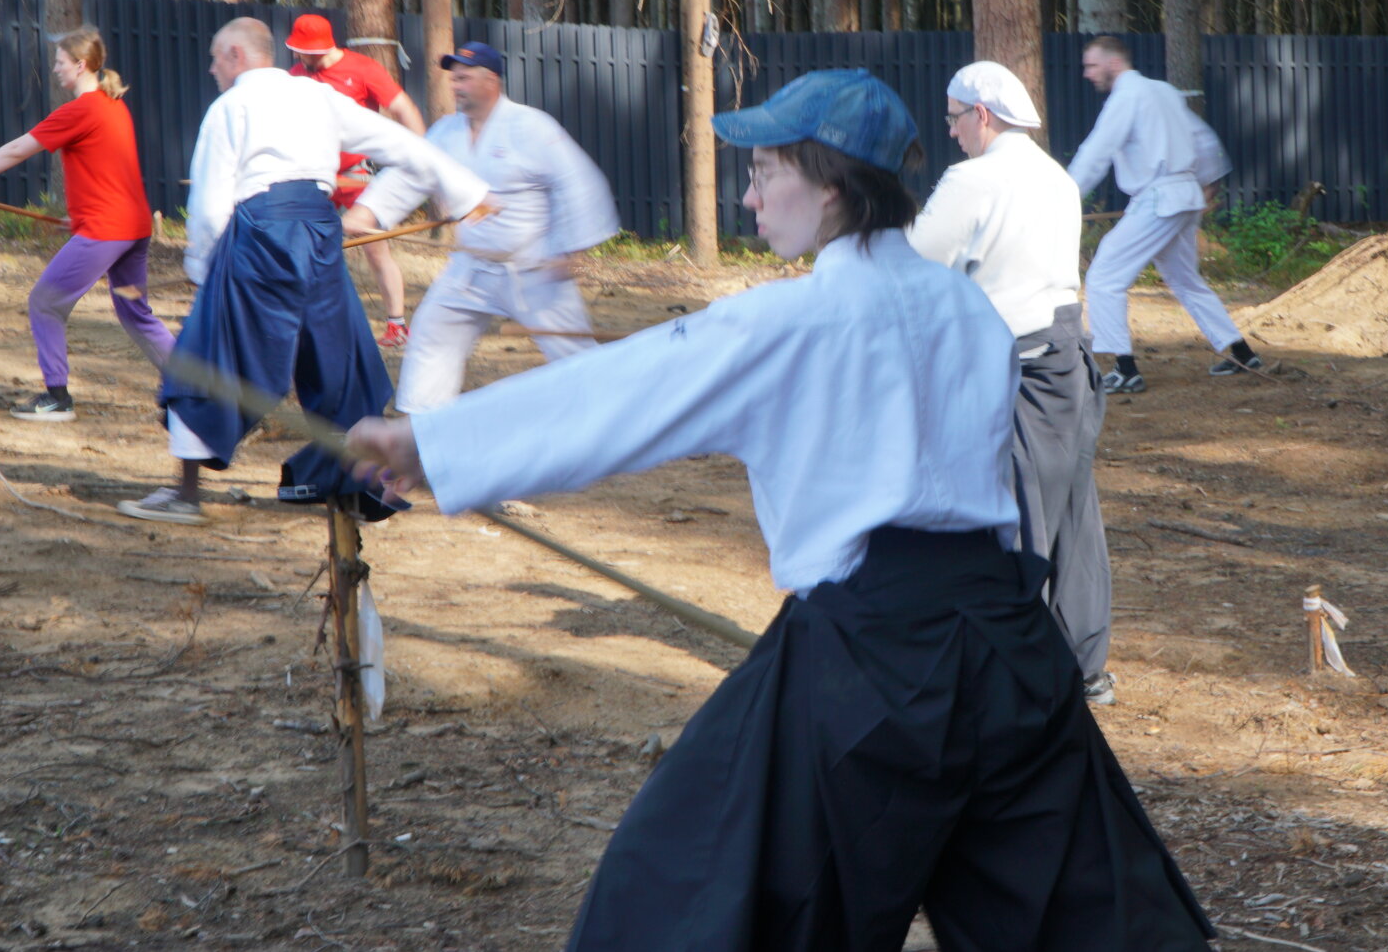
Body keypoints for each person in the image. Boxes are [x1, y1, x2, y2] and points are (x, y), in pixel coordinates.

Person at [344, 69, 1214, 952]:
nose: (750, 193)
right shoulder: (970, 312)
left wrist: (435, 445)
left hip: (869, 671)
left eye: (765, 171)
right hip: (1013, 652)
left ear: (830, 184)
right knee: (1087, 928)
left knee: (686, 894)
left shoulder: (790, 321)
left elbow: (625, 391)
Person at [118, 18, 491, 526]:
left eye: (214, 58)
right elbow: (403, 144)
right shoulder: (319, 98)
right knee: (339, 357)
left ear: (235, 54)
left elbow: (208, 204)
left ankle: (185, 495)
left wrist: (203, 271)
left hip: (260, 233)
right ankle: (354, 488)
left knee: (208, 352)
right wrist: (469, 193)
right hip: (319, 233)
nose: (210, 69)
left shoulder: (231, 106)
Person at [909, 60, 1115, 706]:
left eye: (954, 117)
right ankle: (1083, 665)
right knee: (1073, 513)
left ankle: (1021, 672)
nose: (951, 132)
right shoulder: (1054, 176)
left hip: (1021, 367)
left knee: (1020, 518)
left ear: (984, 115)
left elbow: (917, 259)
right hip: (1069, 359)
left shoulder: (973, 179)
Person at [343, 41, 619, 414]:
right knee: (431, 334)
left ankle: (613, 412)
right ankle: (421, 427)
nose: (456, 86)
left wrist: (570, 251)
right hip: (470, 267)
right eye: (454, 79)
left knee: (572, 350)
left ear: (491, 81)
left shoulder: (531, 126)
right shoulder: (446, 132)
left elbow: (578, 182)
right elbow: (413, 172)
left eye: (465, 78)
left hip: (533, 267)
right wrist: (368, 212)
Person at [0, 26, 175, 421]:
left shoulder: (81, 109)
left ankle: (57, 396)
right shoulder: (113, 106)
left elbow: (18, 149)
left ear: (80, 64)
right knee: (135, 312)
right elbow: (109, 170)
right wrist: (81, 213)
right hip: (131, 228)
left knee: (45, 302)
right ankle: (190, 387)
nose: (55, 68)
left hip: (107, 231)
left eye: (60, 61)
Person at [1069, 35, 1262, 391]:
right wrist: (1209, 183)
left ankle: (1125, 369)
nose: (1087, 74)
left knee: (1104, 276)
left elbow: (1097, 150)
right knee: (1186, 280)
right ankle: (1241, 351)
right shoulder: (1163, 92)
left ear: (1113, 64)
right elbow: (1203, 138)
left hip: (1159, 198)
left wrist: (1063, 196)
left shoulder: (1127, 96)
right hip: (1184, 195)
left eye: (1092, 66)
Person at [285, 13, 425, 349]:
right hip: (313, 173)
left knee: (375, 250)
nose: (297, 58)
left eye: (302, 52)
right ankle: (305, 322)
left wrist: (421, 158)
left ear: (320, 49)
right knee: (302, 248)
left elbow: (403, 108)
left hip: (354, 174)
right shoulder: (296, 76)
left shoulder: (363, 70)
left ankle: (397, 325)